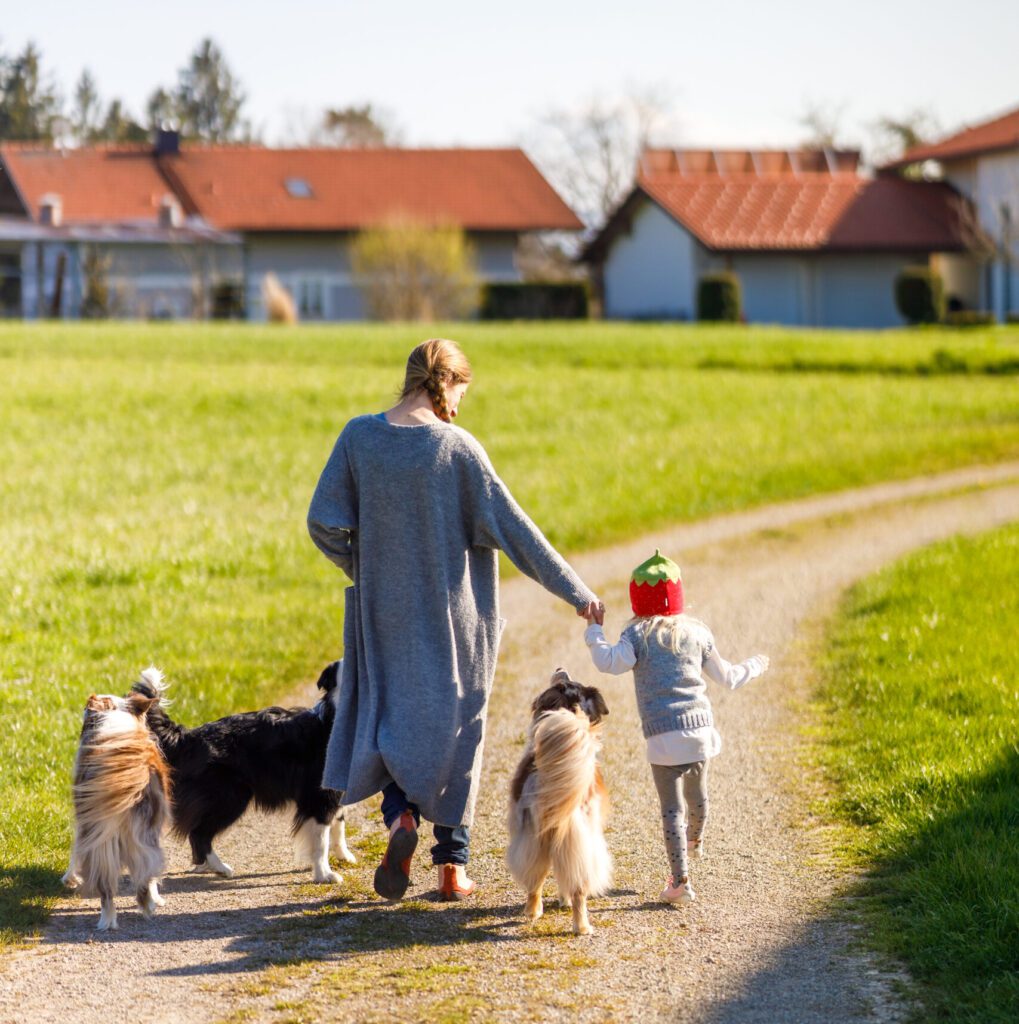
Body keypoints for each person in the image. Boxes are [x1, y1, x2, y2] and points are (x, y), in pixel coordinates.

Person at [308, 338, 600, 902]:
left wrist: (364, 567)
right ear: (449, 384)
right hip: (454, 619)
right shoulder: (459, 450)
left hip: (382, 613)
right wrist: (577, 593)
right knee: (457, 728)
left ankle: (400, 823)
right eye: (462, 392)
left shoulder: (358, 438)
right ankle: (452, 868)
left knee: (388, 720)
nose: (460, 405)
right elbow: (519, 534)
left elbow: (322, 522)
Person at [581, 549, 768, 904]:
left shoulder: (636, 636)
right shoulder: (697, 633)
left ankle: (680, 882)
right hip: (700, 733)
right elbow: (728, 677)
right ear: (678, 595)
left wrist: (594, 629)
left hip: (662, 737)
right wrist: (756, 665)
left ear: (637, 599)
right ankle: (695, 839)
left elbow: (607, 662)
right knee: (698, 797)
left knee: (671, 811)